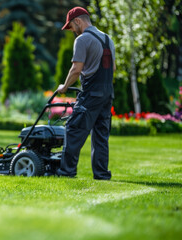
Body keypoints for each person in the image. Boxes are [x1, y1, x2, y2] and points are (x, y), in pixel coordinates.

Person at [56, 6, 116, 180]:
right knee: (100, 136)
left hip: (91, 94)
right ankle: (101, 174)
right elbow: (112, 68)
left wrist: (64, 86)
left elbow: (76, 69)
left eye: (72, 27)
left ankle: (66, 172)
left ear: (78, 21)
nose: (72, 31)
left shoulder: (83, 40)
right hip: (107, 94)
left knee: (73, 129)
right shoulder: (107, 39)